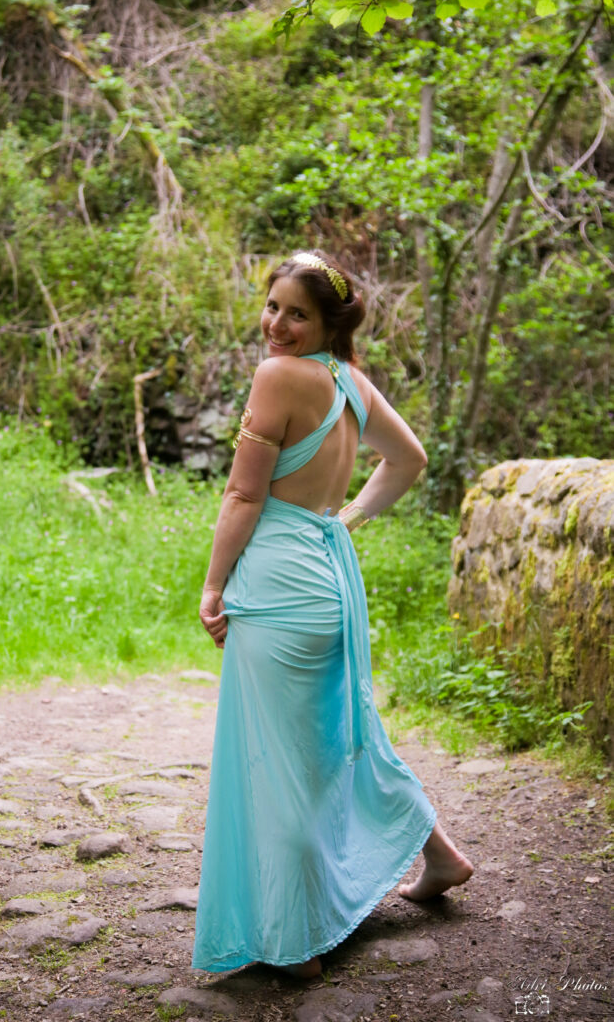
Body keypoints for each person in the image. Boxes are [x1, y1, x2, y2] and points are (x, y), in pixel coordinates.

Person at [193, 250, 473, 978]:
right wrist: (341, 520)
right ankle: (438, 853)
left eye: (297, 313)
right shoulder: (349, 383)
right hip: (322, 574)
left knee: (280, 761)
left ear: (327, 322)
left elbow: (243, 497)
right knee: (340, 734)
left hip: (280, 585)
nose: (277, 325)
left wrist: (213, 585)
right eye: (272, 306)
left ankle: (294, 943)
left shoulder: (278, 377)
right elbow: (405, 459)